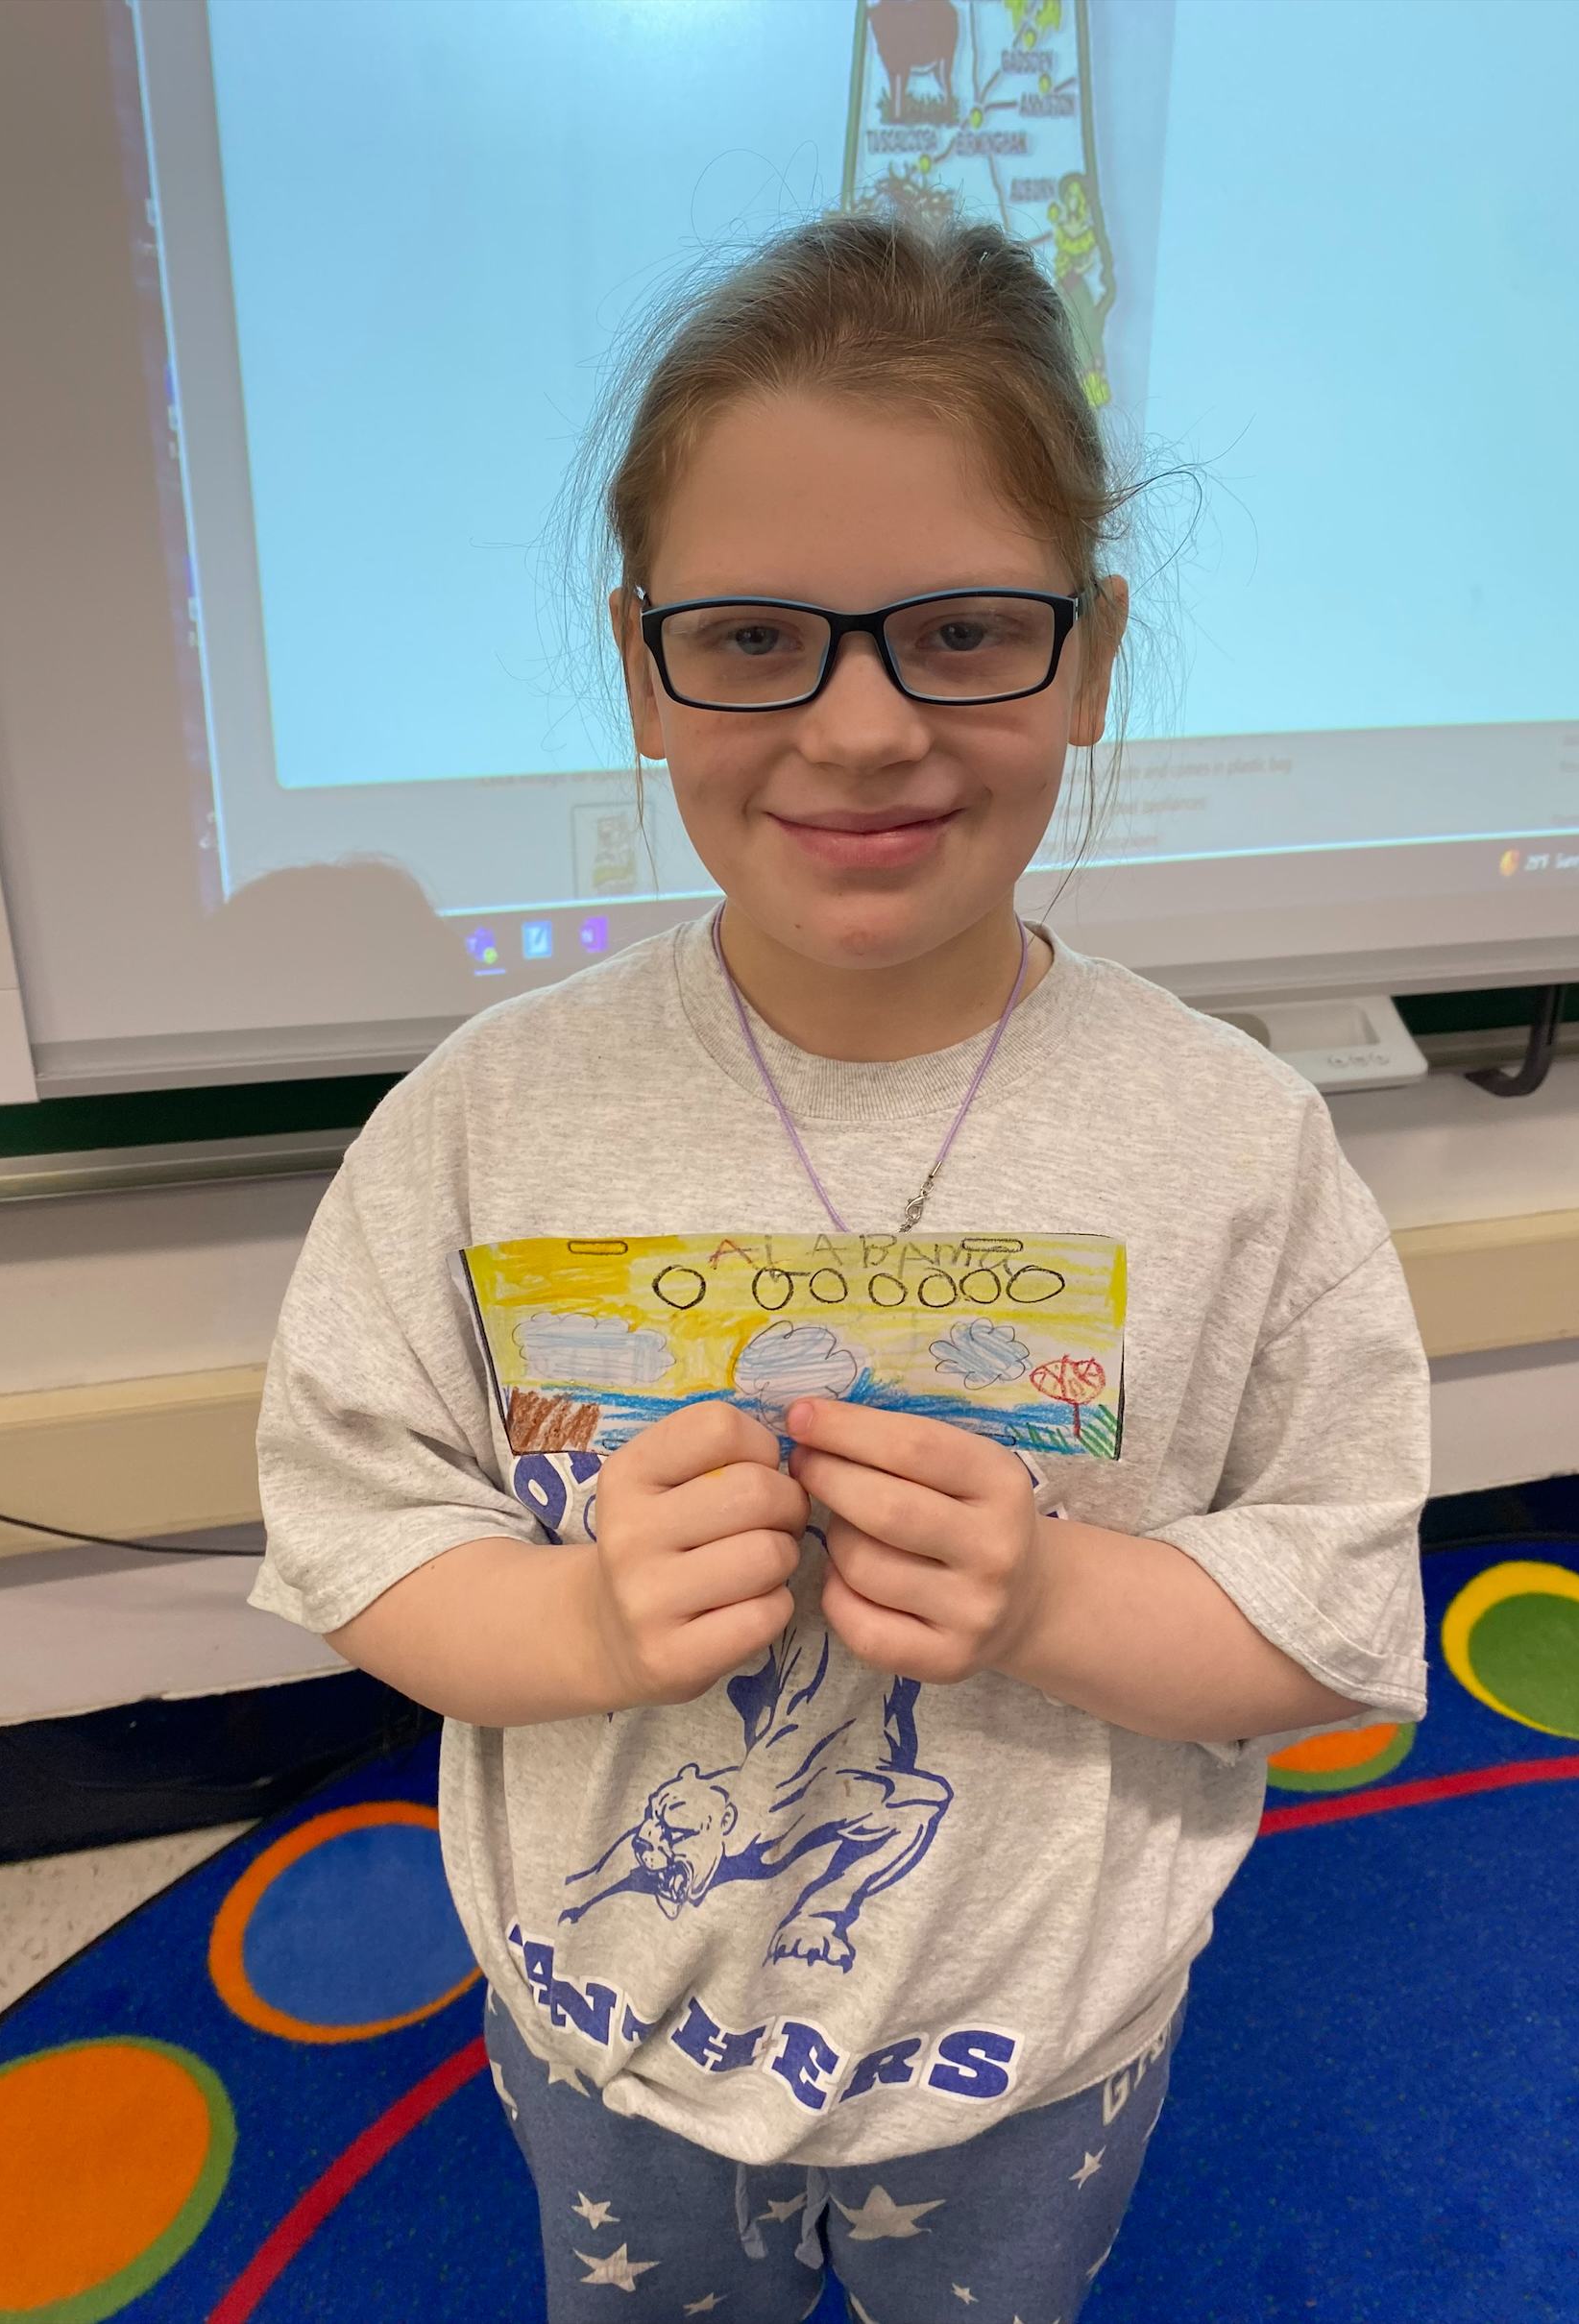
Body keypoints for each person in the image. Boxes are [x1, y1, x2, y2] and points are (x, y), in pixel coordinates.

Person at [253, 214, 1429, 2321]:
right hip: (613, 2026)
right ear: (643, 666)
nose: (866, 726)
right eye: (751, 637)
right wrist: (583, 1616)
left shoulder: (1237, 1143)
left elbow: (1331, 1614)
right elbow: (358, 1530)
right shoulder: (481, 1119)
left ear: (1090, 652)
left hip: (1028, 2048)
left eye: (965, 631)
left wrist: (1051, 1597)